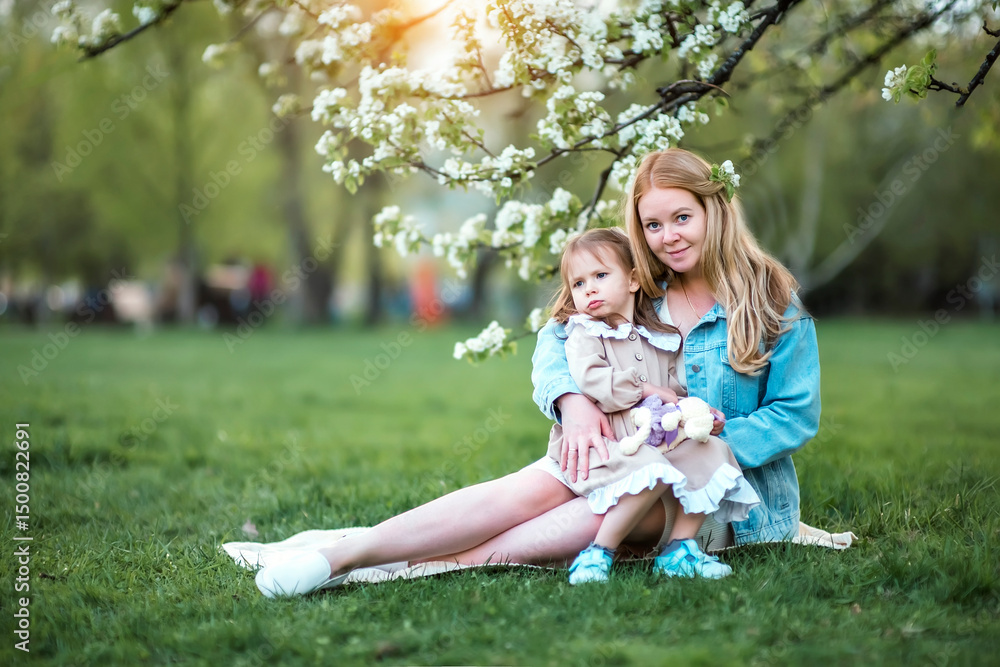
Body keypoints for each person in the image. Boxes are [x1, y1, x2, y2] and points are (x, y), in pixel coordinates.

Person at [251, 147, 822, 597]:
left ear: (714, 210)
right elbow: (556, 336)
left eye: (681, 218)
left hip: (710, 496)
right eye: (651, 225)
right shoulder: (640, 284)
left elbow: (794, 415)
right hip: (618, 451)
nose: (667, 236)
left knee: (586, 513)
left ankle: (420, 568)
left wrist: (701, 436)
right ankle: (343, 555)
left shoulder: (771, 301)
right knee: (519, 492)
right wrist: (572, 400)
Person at [543, 227, 759, 584]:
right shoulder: (583, 333)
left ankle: (680, 549)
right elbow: (592, 381)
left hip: (657, 435)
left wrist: (697, 413)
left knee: (713, 450)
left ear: (631, 281)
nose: (589, 289)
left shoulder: (658, 335)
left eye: (599, 276)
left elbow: (674, 388)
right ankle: (599, 552)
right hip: (614, 442)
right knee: (651, 468)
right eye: (578, 283)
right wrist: (645, 390)